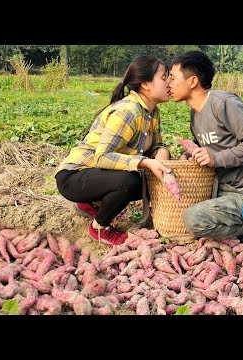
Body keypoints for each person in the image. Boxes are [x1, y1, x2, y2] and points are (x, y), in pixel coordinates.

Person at [55, 55, 172, 246]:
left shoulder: (151, 112)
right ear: (146, 85)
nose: (169, 84)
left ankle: (90, 204)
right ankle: (99, 228)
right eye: (164, 77)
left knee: (148, 180)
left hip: (95, 176)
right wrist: (145, 162)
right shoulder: (129, 111)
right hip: (73, 176)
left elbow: (156, 145)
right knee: (131, 181)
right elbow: (102, 157)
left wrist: (161, 155)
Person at [168, 50, 243, 242]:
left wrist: (216, 159)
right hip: (222, 191)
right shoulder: (195, 114)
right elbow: (208, 146)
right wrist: (189, 153)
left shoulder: (223, 103)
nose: (169, 84)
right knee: (179, 214)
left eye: (173, 78)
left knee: (194, 219)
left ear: (192, 81)